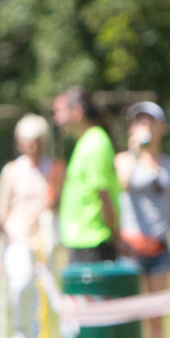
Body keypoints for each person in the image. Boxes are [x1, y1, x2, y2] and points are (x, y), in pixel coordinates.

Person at [116, 101, 170, 338]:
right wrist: (135, 150)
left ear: (161, 128)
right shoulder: (124, 160)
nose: (144, 126)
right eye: (138, 121)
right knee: (130, 315)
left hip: (159, 249)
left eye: (149, 121)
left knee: (156, 318)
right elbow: (123, 183)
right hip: (132, 249)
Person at [0, 114, 56, 338]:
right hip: (17, 238)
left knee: (42, 287)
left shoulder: (52, 168)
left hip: (44, 238)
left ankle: (37, 330)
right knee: (19, 285)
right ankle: (19, 329)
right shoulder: (11, 170)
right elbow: (3, 210)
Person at [53, 87, 120, 263]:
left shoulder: (95, 143)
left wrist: (116, 238)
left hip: (93, 242)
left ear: (77, 112)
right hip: (82, 241)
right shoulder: (85, 142)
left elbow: (104, 195)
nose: (56, 119)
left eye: (59, 111)